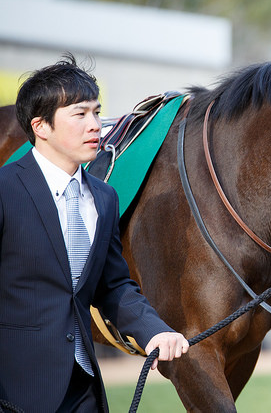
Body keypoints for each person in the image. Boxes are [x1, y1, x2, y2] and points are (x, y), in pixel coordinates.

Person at [0, 55, 189, 412]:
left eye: (96, 112)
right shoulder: (5, 189)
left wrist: (155, 330)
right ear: (41, 127)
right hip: (13, 391)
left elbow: (113, 286)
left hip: (83, 389)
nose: (95, 125)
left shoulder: (104, 197)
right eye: (79, 114)